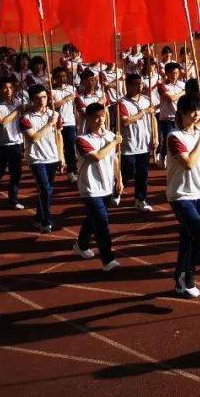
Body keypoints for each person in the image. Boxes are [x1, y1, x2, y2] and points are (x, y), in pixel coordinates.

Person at [166, 93, 200, 299]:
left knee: (187, 238)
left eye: (199, 110)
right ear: (181, 113)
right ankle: (190, 272)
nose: (196, 115)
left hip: (199, 193)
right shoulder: (174, 137)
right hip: (180, 195)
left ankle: (180, 278)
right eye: (192, 111)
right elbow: (188, 163)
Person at [74, 102, 122, 272]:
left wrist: (119, 178)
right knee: (102, 222)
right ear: (87, 118)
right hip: (90, 187)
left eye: (103, 116)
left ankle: (81, 244)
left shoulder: (109, 135)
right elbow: (97, 156)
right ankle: (108, 260)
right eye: (96, 117)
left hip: (107, 185)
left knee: (92, 219)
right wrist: (114, 142)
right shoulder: (82, 140)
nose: (101, 120)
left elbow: (114, 159)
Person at [21, 84, 62, 234]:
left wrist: (61, 157)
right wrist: (49, 123)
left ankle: (39, 217)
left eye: (44, 97)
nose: (42, 101)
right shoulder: (25, 118)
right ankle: (47, 221)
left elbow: (59, 136)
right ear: (32, 100)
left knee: (45, 190)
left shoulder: (54, 114)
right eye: (38, 98)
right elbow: (33, 138)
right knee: (45, 189)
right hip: (36, 158)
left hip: (52, 157)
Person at [118, 72, 156, 212]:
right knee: (128, 171)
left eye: (141, 84)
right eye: (136, 84)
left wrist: (155, 137)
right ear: (127, 86)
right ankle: (116, 187)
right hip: (129, 143)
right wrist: (144, 112)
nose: (139, 87)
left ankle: (140, 199)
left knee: (143, 174)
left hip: (144, 143)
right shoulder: (122, 103)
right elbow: (125, 121)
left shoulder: (147, 100)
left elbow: (153, 120)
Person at [0, 76, 24, 208]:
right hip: (0, 144)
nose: (8, 90)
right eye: (4, 88)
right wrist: (18, 110)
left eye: (10, 88)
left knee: (16, 173)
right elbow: (2, 122)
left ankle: (13, 198)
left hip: (16, 143)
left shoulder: (18, 101)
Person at [51, 66, 78, 184]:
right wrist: (67, 98)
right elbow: (54, 105)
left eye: (64, 76)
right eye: (59, 77)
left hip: (70, 122)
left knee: (70, 147)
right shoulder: (52, 91)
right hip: (56, 123)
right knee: (57, 147)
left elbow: (76, 104)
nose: (63, 78)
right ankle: (57, 166)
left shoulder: (72, 88)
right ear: (55, 79)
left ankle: (71, 171)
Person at [156, 62, 185, 165]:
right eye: (172, 73)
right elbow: (171, 98)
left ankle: (173, 159)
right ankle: (162, 156)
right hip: (167, 117)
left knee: (178, 139)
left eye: (177, 73)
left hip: (179, 117)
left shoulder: (182, 84)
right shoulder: (162, 85)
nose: (175, 76)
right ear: (167, 73)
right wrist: (182, 92)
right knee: (167, 139)